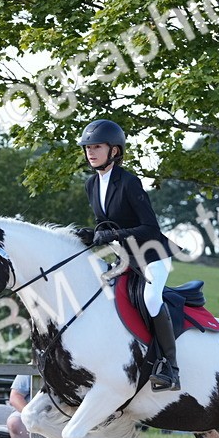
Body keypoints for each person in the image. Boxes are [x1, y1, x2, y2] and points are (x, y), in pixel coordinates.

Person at [75, 119, 179, 391]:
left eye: (97, 146)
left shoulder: (130, 182)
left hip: (151, 255)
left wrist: (115, 235)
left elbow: (150, 227)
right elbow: (105, 224)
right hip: (124, 259)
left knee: (151, 298)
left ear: (115, 151)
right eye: (88, 147)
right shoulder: (91, 185)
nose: (91, 152)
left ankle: (169, 367)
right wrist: (91, 234)